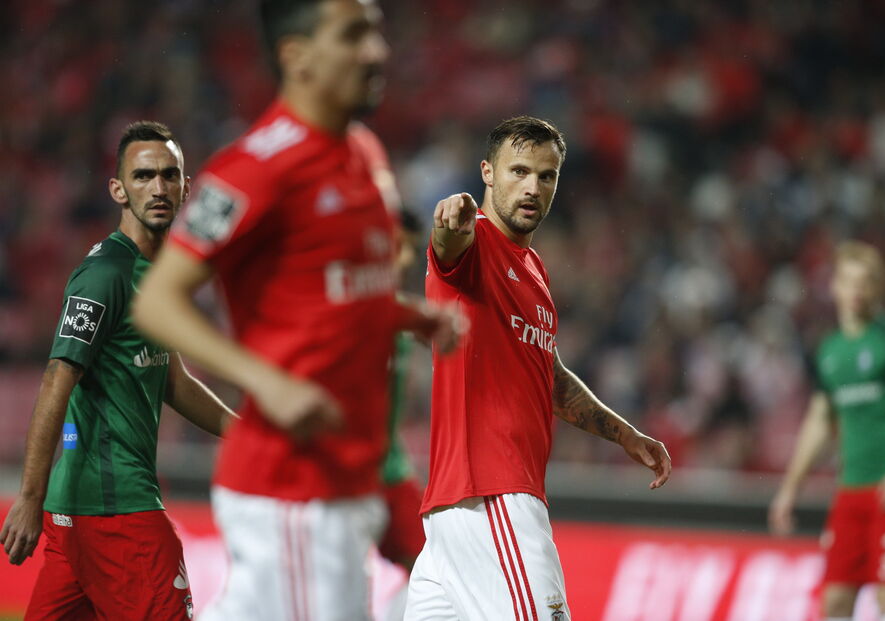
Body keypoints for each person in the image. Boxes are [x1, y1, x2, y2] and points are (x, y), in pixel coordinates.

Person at [131, 2, 460, 620]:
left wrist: (410, 316)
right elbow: (157, 300)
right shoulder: (256, 167)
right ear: (296, 56)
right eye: (353, 35)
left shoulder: (364, 152)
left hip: (349, 476)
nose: (376, 51)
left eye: (378, 33)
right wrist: (267, 382)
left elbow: (335, 291)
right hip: (295, 485)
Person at [404, 116, 673, 620]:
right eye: (519, 171)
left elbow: (547, 373)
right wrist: (448, 224)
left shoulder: (533, 268)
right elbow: (447, 249)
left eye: (546, 176)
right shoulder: (477, 241)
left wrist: (625, 435)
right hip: (493, 497)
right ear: (487, 172)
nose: (533, 187)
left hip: (453, 514)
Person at [0, 121, 236, 620]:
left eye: (169, 176)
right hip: (118, 514)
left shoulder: (155, 276)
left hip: (81, 518)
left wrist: (245, 434)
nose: (158, 187)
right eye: (144, 175)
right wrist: (28, 497)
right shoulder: (105, 274)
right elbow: (55, 381)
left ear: (186, 187)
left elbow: (173, 382)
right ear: (118, 189)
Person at [769, 241, 885, 621]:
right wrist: (789, 489)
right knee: (836, 601)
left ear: (878, 288)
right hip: (851, 489)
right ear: (834, 287)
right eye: (849, 281)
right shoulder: (830, 351)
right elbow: (818, 422)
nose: (857, 291)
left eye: (866, 282)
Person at [379, 208, 429, 621]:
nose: (406, 259)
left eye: (411, 250)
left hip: (388, 470)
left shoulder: (400, 313)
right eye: (398, 246)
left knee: (432, 572)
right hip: (336, 474)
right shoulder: (340, 305)